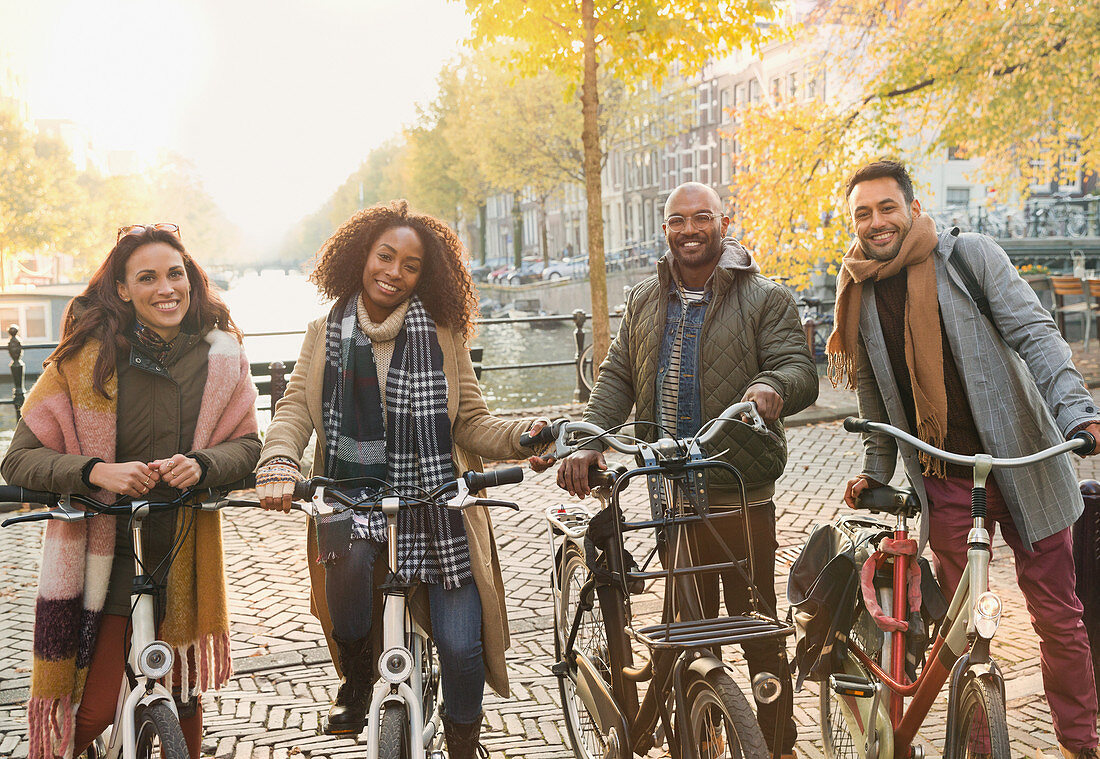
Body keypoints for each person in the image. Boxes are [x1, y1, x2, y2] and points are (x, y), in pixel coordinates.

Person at [254, 200, 546, 759]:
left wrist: (524, 437)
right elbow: (293, 410)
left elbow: (472, 422)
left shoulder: (442, 334)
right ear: (360, 256)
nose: (394, 272)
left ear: (425, 274)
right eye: (385, 256)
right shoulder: (324, 332)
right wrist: (279, 463)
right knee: (348, 560)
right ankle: (359, 679)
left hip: (436, 507)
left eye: (410, 265)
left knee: (462, 649)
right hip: (351, 496)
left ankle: (463, 741)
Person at [830, 160, 1100, 759]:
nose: (876, 222)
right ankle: (982, 747)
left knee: (1057, 615)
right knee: (964, 634)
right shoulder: (861, 289)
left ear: (914, 208)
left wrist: (1078, 413)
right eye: (863, 214)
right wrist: (876, 470)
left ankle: (1081, 746)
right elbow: (874, 395)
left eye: (887, 208)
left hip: (1025, 464)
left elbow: (1036, 332)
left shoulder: (969, 257)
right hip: (944, 478)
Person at [553, 181, 817, 757]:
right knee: (685, 628)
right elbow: (618, 377)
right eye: (678, 220)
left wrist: (772, 387)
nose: (690, 229)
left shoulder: (765, 298)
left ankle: (776, 743)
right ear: (665, 228)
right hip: (669, 496)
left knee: (761, 633)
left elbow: (798, 368)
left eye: (702, 218)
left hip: (740, 493)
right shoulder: (646, 299)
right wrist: (588, 442)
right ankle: (693, 738)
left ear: (725, 222)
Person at [1, 224, 261, 759]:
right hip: (110, 558)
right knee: (91, 711)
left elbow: (248, 446)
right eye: (147, 278)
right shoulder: (83, 361)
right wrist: (97, 470)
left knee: (183, 698)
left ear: (190, 278)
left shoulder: (222, 357)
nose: (166, 288)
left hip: (183, 553)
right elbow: (20, 460)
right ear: (122, 289)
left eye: (175, 274)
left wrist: (204, 465)